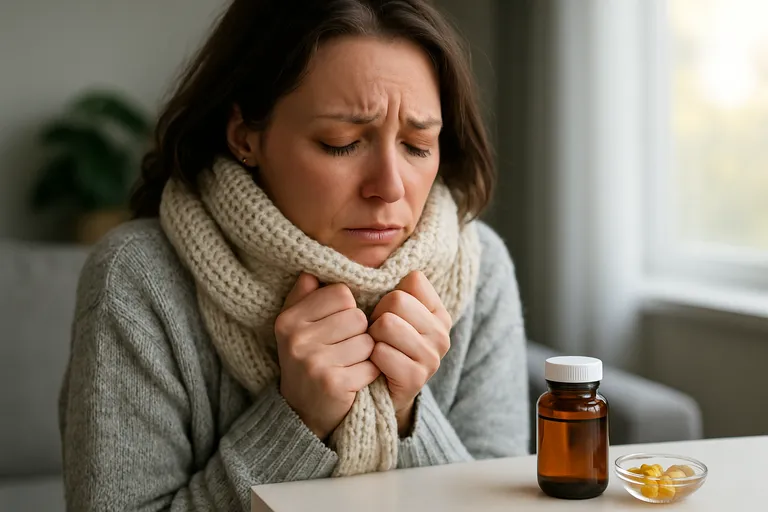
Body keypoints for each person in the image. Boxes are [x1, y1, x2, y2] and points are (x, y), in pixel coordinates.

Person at [58, 0, 529, 510]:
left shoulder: (479, 269)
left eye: (418, 145)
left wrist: (407, 414)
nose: (390, 188)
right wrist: (296, 420)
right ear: (245, 135)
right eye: (342, 142)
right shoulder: (139, 279)